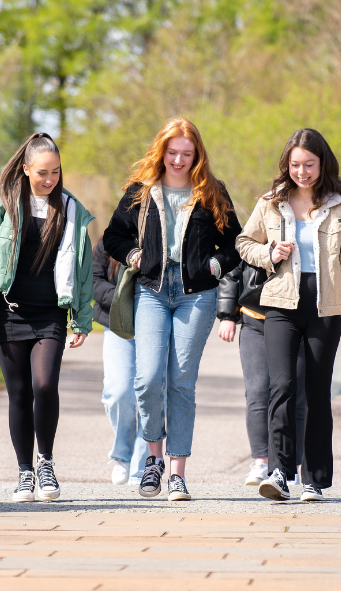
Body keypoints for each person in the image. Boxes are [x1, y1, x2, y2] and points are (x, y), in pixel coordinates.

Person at [103, 117, 243, 501]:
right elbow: (112, 235)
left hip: (195, 294)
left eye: (187, 153)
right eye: (173, 152)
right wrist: (133, 255)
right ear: (161, 151)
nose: (179, 160)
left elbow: (236, 243)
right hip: (151, 290)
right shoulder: (141, 191)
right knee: (147, 379)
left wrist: (215, 265)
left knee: (181, 382)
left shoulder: (212, 192)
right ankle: (153, 459)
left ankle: (178, 473)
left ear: (197, 155)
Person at [235, 128, 341, 502]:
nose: (302, 172)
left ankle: (314, 480)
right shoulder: (271, 201)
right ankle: (280, 472)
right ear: (287, 165)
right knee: (281, 387)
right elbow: (243, 243)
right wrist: (270, 254)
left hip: (324, 308)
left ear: (322, 163)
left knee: (314, 392)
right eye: (295, 164)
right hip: (280, 303)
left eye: (309, 164)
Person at [0, 133, 95, 502]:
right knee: (19, 392)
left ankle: (46, 462)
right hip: (8, 311)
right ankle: (25, 472)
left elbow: (82, 270)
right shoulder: (3, 202)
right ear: (25, 169)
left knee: (44, 385)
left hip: (51, 313)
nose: (50, 179)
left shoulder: (70, 209)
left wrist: (80, 319)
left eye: (55, 172)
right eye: (42, 172)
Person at [216, 266, 308, 486]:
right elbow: (233, 269)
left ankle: (291, 467)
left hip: (296, 318)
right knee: (257, 392)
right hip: (255, 319)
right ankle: (261, 462)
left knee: (295, 395)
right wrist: (228, 314)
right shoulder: (255, 231)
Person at [92, 237, 148, 485]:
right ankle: (122, 456)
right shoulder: (107, 242)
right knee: (118, 392)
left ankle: (141, 463)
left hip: (155, 323)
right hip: (116, 324)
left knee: (152, 392)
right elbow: (93, 282)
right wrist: (122, 296)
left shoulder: (163, 235)